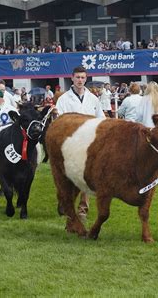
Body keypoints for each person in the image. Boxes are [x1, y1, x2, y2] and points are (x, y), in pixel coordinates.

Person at [55, 65, 105, 220]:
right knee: (67, 176)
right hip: (70, 142)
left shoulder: (93, 99)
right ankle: (64, 201)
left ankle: (83, 209)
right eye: (77, 77)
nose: (80, 80)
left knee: (86, 176)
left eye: (83, 77)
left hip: (89, 143)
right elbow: (59, 122)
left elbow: (101, 120)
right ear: (72, 78)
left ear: (86, 78)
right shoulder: (63, 99)